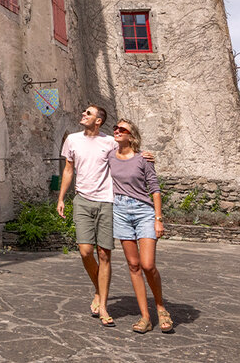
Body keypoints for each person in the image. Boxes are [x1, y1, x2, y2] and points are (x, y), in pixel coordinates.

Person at [55, 104, 120, 326]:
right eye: (84, 112)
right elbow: (68, 170)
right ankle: (98, 289)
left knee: (104, 254)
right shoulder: (72, 140)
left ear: (98, 120)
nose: (83, 114)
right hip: (82, 200)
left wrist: (146, 157)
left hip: (106, 201)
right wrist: (61, 198)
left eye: (88, 113)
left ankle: (102, 305)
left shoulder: (110, 143)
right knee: (85, 251)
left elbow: (126, 158)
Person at [108, 118, 173, 334]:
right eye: (115, 128)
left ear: (132, 136)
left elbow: (154, 188)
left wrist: (158, 218)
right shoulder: (109, 156)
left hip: (143, 211)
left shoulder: (143, 159)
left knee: (147, 264)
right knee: (133, 265)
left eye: (122, 129)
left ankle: (161, 307)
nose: (117, 131)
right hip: (120, 211)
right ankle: (145, 317)